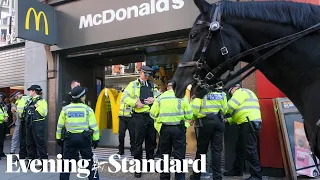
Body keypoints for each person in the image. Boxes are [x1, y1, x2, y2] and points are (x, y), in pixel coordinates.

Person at [150, 80, 193, 180]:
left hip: (164, 129)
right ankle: (179, 178)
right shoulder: (182, 98)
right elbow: (189, 115)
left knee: (164, 155)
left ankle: (164, 178)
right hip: (178, 129)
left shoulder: (160, 98)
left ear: (168, 87)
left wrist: (159, 123)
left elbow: (152, 114)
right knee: (179, 156)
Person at [122, 65, 160, 178]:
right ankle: (138, 169)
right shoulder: (133, 84)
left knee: (151, 143)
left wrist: (155, 100)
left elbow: (160, 98)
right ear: (141, 72)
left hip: (150, 117)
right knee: (138, 143)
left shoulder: (152, 86)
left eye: (148, 75)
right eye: (145, 74)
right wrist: (135, 103)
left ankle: (149, 164)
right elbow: (124, 97)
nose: (147, 77)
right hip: (139, 117)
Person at [56, 86, 100, 180]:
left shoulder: (66, 109)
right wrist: (96, 139)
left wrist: (58, 138)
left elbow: (60, 126)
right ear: (82, 97)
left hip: (69, 139)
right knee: (89, 163)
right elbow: (94, 127)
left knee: (66, 164)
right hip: (84, 139)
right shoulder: (88, 109)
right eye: (84, 95)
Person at [223, 84, 263, 180]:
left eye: (230, 93)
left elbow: (229, 107)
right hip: (249, 123)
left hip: (248, 124)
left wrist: (220, 108)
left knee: (250, 150)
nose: (231, 95)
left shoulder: (240, 92)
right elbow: (241, 113)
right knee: (240, 148)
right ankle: (237, 170)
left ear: (233, 89)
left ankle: (256, 176)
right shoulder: (247, 93)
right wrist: (228, 120)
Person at [189, 87, 227, 180]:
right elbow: (225, 109)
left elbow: (194, 110)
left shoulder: (201, 92)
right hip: (219, 122)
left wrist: (195, 117)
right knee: (217, 151)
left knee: (201, 150)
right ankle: (217, 177)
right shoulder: (221, 93)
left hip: (206, 123)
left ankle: (196, 176)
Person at [25, 85, 48, 163]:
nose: (29, 92)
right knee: (30, 143)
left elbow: (44, 113)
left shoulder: (41, 101)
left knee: (40, 143)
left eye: (30, 91)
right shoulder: (29, 100)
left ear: (34, 91)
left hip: (38, 124)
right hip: (29, 123)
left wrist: (36, 106)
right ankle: (31, 160)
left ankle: (43, 162)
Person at [9, 91, 30, 156]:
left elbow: (22, 111)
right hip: (19, 121)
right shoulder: (17, 101)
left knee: (22, 137)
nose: (15, 99)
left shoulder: (24, 99)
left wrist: (15, 110)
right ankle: (13, 152)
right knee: (18, 136)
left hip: (23, 121)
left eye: (15, 97)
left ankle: (18, 152)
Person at [117, 89, 135, 156]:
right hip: (122, 118)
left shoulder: (132, 97)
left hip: (131, 118)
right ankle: (121, 150)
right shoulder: (121, 97)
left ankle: (133, 150)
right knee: (121, 135)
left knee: (132, 135)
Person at [0, 93, 8, 159]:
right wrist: (3, 118)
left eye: (1, 98)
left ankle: (1, 152)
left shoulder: (2, 105)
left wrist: (6, 116)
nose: (0, 99)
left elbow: (5, 112)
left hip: (2, 124)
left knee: (1, 139)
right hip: (1, 122)